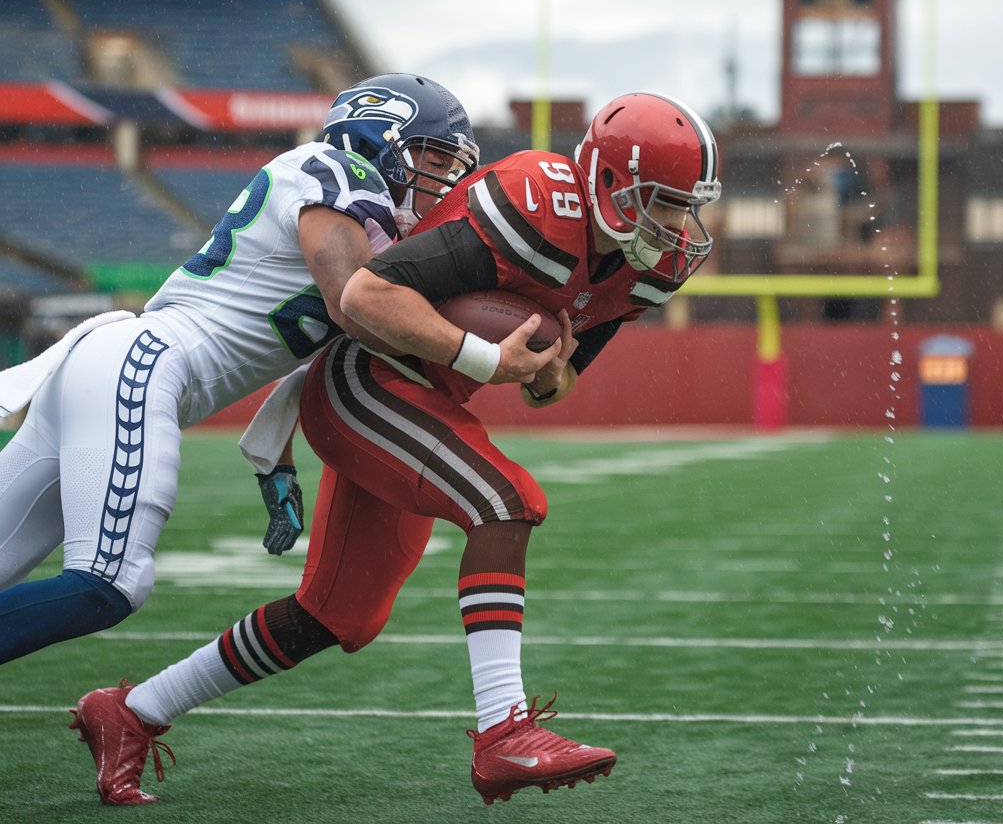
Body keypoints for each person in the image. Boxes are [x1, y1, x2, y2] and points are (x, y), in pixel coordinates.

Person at [69, 91, 722, 806]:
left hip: (427, 397)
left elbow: (557, 383)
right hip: (367, 379)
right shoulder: (537, 200)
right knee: (505, 503)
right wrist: (484, 357)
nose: (676, 224)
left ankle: (130, 712)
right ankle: (504, 730)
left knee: (338, 614)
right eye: (660, 202)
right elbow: (367, 298)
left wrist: (545, 370)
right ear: (604, 184)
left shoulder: (649, 268)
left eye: (687, 204)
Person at [0, 73, 478, 664]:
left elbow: (308, 353)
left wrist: (273, 464)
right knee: (111, 582)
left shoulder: (356, 217)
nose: (445, 177)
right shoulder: (337, 171)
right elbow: (351, 304)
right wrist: (482, 350)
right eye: (433, 156)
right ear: (380, 138)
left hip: (112, 364)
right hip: (142, 363)